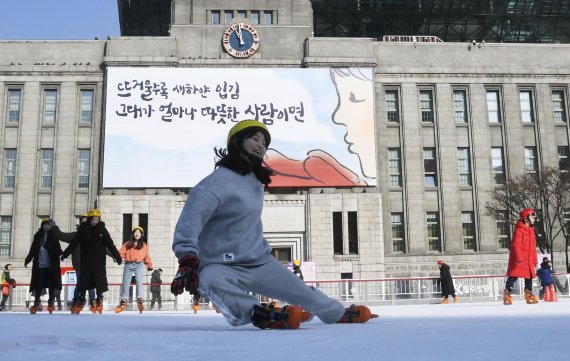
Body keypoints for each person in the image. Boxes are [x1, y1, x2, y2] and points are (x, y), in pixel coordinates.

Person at [171, 119, 377, 329]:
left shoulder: (254, 181)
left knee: (302, 292)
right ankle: (260, 314)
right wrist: (187, 261)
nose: (261, 145)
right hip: (220, 265)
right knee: (208, 280)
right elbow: (188, 227)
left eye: (264, 143)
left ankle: (336, 313)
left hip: (258, 262)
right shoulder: (212, 185)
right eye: (254, 138)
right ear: (236, 142)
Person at [61, 209, 122, 314]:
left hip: (98, 262)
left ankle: (99, 299)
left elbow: (110, 244)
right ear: (89, 219)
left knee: (99, 281)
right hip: (86, 261)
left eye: (97, 219)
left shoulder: (102, 229)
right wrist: (65, 254)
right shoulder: (83, 229)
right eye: (93, 219)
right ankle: (81, 299)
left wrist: (117, 256)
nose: (95, 221)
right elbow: (74, 243)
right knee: (84, 282)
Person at [59, 214, 97, 312]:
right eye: (82, 222)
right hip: (79, 264)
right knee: (80, 283)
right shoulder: (74, 235)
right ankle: (77, 300)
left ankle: (93, 302)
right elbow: (62, 236)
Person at [24, 219, 63, 314]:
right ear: (42, 226)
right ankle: (36, 301)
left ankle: (51, 301)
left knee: (51, 284)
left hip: (51, 265)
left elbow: (58, 248)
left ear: (50, 226)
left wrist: (63, 254)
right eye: (44, 224)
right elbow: (33, 249)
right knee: (39, 284)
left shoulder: (54, 236)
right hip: (40, 265)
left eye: (48, 225)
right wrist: (27, 260)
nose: (46, 226)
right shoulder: (38, 236)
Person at [503, 208, 539, 305]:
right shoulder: (520, 230)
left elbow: (533, 248)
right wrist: (519, 257)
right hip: (520, 258)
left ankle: (528, 293)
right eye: (532, 216)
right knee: (514, 275)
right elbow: (516, 245)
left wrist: (535, 260)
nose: (534, 219)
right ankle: (507, 292)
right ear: (526, 218)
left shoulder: (531, 230)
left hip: (529, 259)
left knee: (529, 276)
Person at [115, 226, 153, 313]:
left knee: (139, 282)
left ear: (141, 234)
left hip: (139, 265)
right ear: (133, 234)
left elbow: (146, 256)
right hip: (128, 264)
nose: (137, 234)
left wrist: (149, 265)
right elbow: (121, 252)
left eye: (139, 233)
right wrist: (118, 258)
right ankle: (123, 301)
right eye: (135, 232)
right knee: (125, 283)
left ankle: (140, 300)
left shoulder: (143, 245)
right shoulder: (128, 244)